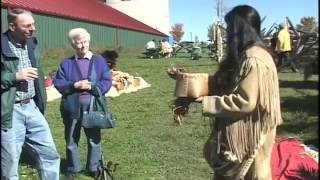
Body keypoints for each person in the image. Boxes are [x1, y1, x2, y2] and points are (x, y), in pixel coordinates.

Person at [195, 5, 282, 179]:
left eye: (230, 29)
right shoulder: (254, 53)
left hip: (250, 136)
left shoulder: (253, 58)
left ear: (239, 30)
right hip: (252, 131)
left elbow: (245, 101)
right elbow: (239, 84)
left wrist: (206, 102)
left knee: (250, 173)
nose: (228, 34)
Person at [1, 8, 60, 180]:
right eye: (27, 26)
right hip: (9, 111)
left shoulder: (32, 43)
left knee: (49, 154)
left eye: (33, 24)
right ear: (12, 26)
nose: (32, 28)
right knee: (10, 164)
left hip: (32, 107)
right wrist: (14, 76)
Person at [53, 28, 113, 179]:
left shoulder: (99, 62)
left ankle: (94, 167)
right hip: (72, 106)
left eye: (85, 41)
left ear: (89, 41)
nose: (83, 46)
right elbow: (59, 82)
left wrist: (93, 87)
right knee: (71, 138)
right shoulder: (66, 63)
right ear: (73, 45)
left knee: (94, 138)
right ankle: (73, 167)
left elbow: (107, 81)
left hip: (93, 106)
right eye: (79, 43)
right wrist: (74, 86)